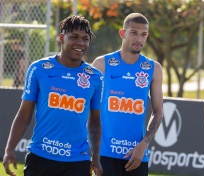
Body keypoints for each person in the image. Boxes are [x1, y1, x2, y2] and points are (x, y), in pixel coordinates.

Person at [3, 15, 103, 176]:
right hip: (41, 157)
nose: (80, 43)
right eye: (74, 37)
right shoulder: (39, 69)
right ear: (62, 38)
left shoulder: (96, 77)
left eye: (85, 39)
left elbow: (95, 122)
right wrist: (9, 149)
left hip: (77, 161)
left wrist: (96, 158)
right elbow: (24, 114)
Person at [92, 12, 163, 176]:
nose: (139, 39)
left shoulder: (154, 69)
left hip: (136, 154)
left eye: (143, 34)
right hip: (105, 154)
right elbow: (88, 108)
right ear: (122, 33)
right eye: (134, 33)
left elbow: (158, 112)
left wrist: (144, 144)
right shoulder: (102, 63)